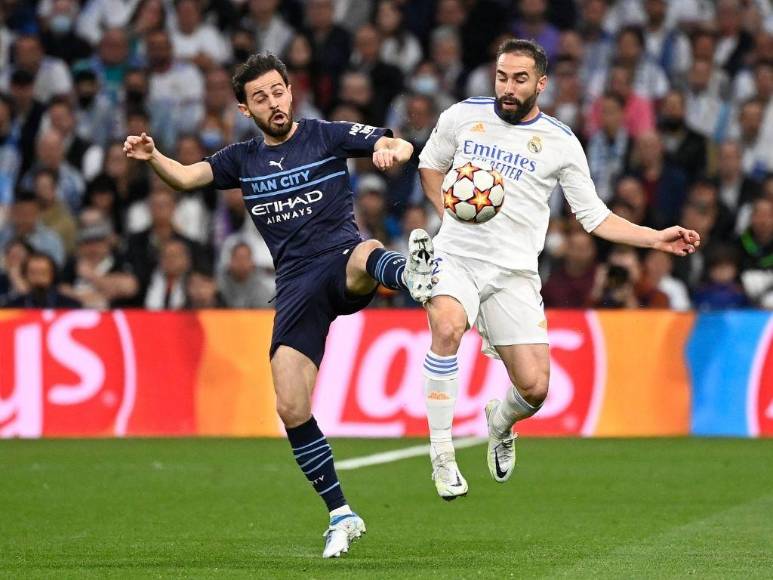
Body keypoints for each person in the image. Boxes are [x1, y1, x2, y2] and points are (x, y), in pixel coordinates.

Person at [123, 52, 433, 558]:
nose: (273, 102)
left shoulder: (326, 134)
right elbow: (184, 177)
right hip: (293, 286)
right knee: (290, 406)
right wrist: (154, 155)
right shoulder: (239, 159)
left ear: (291, 91)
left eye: (278, 91)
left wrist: (392, 151)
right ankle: (341, 513)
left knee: (361, 253)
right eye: (260, 97)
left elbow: (391, 140)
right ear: (246, 109)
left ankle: (411, 276)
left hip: (340, 260)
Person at [416, 38, 700, 501]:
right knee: (446, 328)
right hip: (457, 258)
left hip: (513, 274)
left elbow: (594, 217)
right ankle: (442, 455)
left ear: (541, 84)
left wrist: (655, 237)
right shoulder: (462, 115)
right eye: (502, 77)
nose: (508, 88)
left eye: (520, 79)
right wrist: (447, 212)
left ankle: (500, 421)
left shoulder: (561, 143)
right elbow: (430, 166)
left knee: (534, 388)